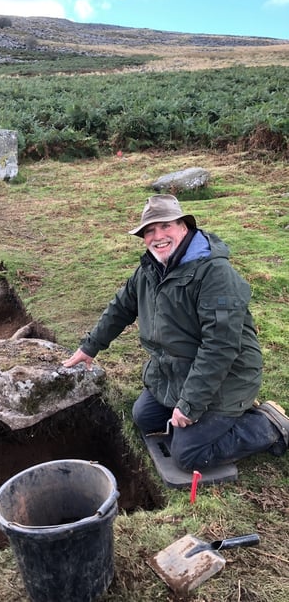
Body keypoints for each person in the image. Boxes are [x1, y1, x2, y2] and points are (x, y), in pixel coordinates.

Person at [64, 194, 289, 471]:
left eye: (165, 226)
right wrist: (89, 347)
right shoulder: (150, 268)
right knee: (144, 417)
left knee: (188, 455)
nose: (157, 236)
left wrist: (190, 404)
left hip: (228, 377)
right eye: (149, 230)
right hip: (177, 371)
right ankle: (216, 415)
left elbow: (220, 348)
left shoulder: (215, 273)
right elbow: (121, 307)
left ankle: (267, 425)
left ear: (184, 227)